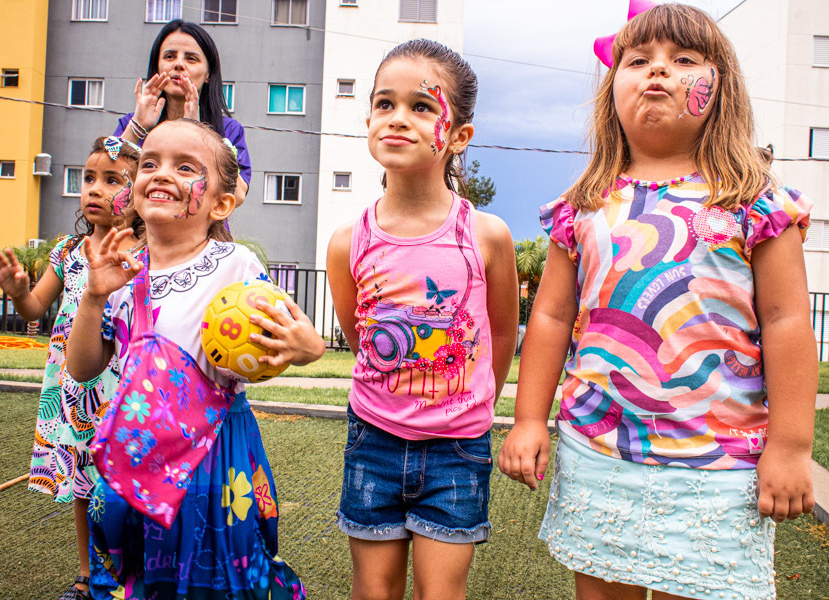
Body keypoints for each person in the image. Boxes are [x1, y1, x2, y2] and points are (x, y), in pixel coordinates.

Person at [497, 5, 816, 600]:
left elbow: (787, 320)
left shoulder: (753, 203)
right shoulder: (584, 205)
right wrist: (529, 420)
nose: (658, 72)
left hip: (717, 469)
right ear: (611, 87)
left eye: (684, 60)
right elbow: (549, 316)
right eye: (638, 60)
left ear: (721, 87)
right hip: (598, 455)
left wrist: (792, 446)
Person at [67, 118, 325, 599]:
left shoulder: (235, 266)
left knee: (218, 567)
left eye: (185, 166)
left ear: (221, 203)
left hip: (216, 453)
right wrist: (93, 298)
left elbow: (294, 337)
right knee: (139, 567)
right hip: (137, 448)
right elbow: (83, 368)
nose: (161, 173)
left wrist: (307, 349)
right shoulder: (121, 269)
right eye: (150, 163)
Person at [326, 39, 519, 600]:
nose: (398, 119)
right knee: (374, 591)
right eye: (385, 104)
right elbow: (358, 334)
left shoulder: (486, 236)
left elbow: (503, 332)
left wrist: (474, 402)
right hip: (373, 439)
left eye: (422, 106)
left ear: (457, 135)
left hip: (457, 449)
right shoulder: (348, 242)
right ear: (367, 121)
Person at [0, 136, 140, 600]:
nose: (94, 188)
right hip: (70, 385)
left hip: (121, 386)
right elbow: (34, 309)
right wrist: (16, 289)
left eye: (112, 180)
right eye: (89, 177)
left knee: (121, 483)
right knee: (80, 482)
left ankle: (131, 574)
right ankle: (88, 575)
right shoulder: (67, 250)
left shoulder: (146, 251)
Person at [114, 19, 251, 206]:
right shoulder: (130, 123)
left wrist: (196, 133)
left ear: (208, 74)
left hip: (202, 234)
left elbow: (238, 195)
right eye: (169, 56)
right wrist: (137, 126)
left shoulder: (229, 130)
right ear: (157, 67)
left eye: (191, 59)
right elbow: (108, 181)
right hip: (140, 232)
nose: (178, 65)